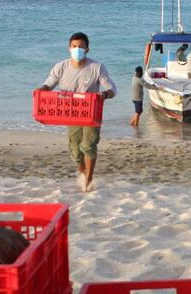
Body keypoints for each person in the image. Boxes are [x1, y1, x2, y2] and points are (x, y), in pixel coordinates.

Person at [37, 32, 116, 193]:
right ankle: (82, 172)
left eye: (81, 46)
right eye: (74, 46)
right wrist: (40, 90)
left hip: (91, 113)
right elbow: (49, 84)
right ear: (69, 48)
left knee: (88, 145)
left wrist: (105, 94)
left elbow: (112, 88)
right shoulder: (61, 67)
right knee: (75, 149)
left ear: (87, 49)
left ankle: (89, 178)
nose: (77, 49)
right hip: (70, 113)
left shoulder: (97, 67)